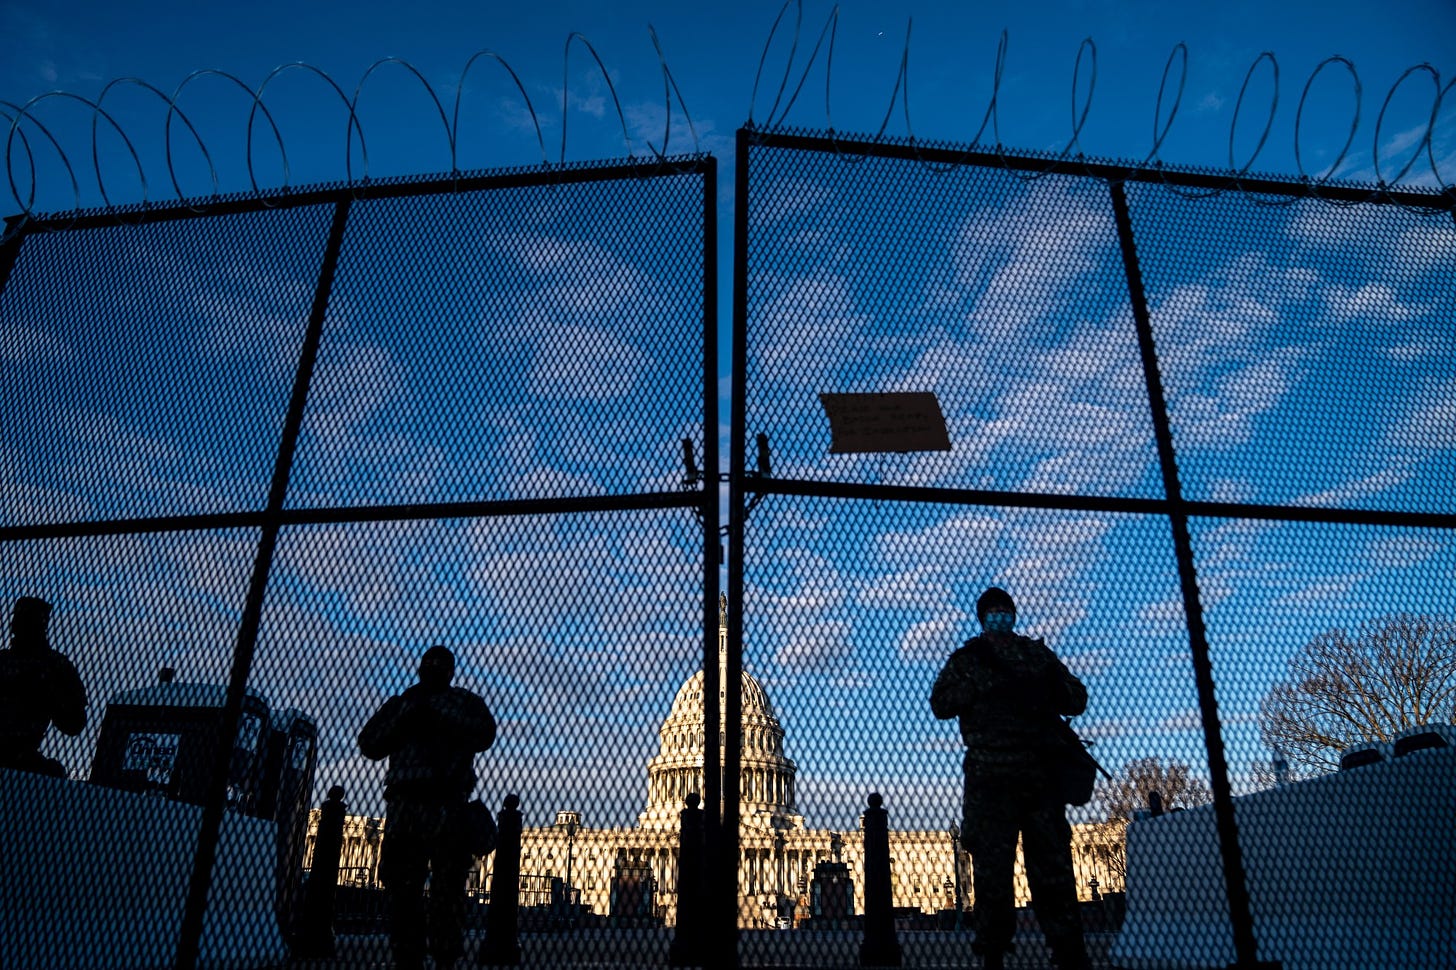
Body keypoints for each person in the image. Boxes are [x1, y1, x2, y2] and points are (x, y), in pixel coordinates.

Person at [930, 587, 1090, 970]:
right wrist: (982, 686)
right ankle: (994, 951)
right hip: (991, 775)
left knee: (1051, 866)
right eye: (994, 611)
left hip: (1038, 774)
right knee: (991, 869)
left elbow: (1077, 698)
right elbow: (941, 704)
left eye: (1006, 609)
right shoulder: (969, 659)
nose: (1001, 615)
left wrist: (1046, 688)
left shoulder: (1038, 656)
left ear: (1013, 614)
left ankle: (1067, 949)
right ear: (983, 617)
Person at [359, 645, 496, 970]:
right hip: (408, 806)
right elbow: (368, 743)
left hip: (444, 804)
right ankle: (412, 956)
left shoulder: (462, 702)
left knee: (447, 890)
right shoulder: (404, 703)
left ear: (450, 672)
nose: (434, 669)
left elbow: (485, 734)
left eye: (441, 664)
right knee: (404, 889)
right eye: (430, 663)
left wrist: (435, 716)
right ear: (421, 668)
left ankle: (443, 956)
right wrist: (409, 716)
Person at [0, 596, 87, 777]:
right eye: (18, 617)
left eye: (27, 619)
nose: (16, 624)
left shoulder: (55, 666)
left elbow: (75, 724)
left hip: (22, 758)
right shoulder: (4, 661)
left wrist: (47, 692)